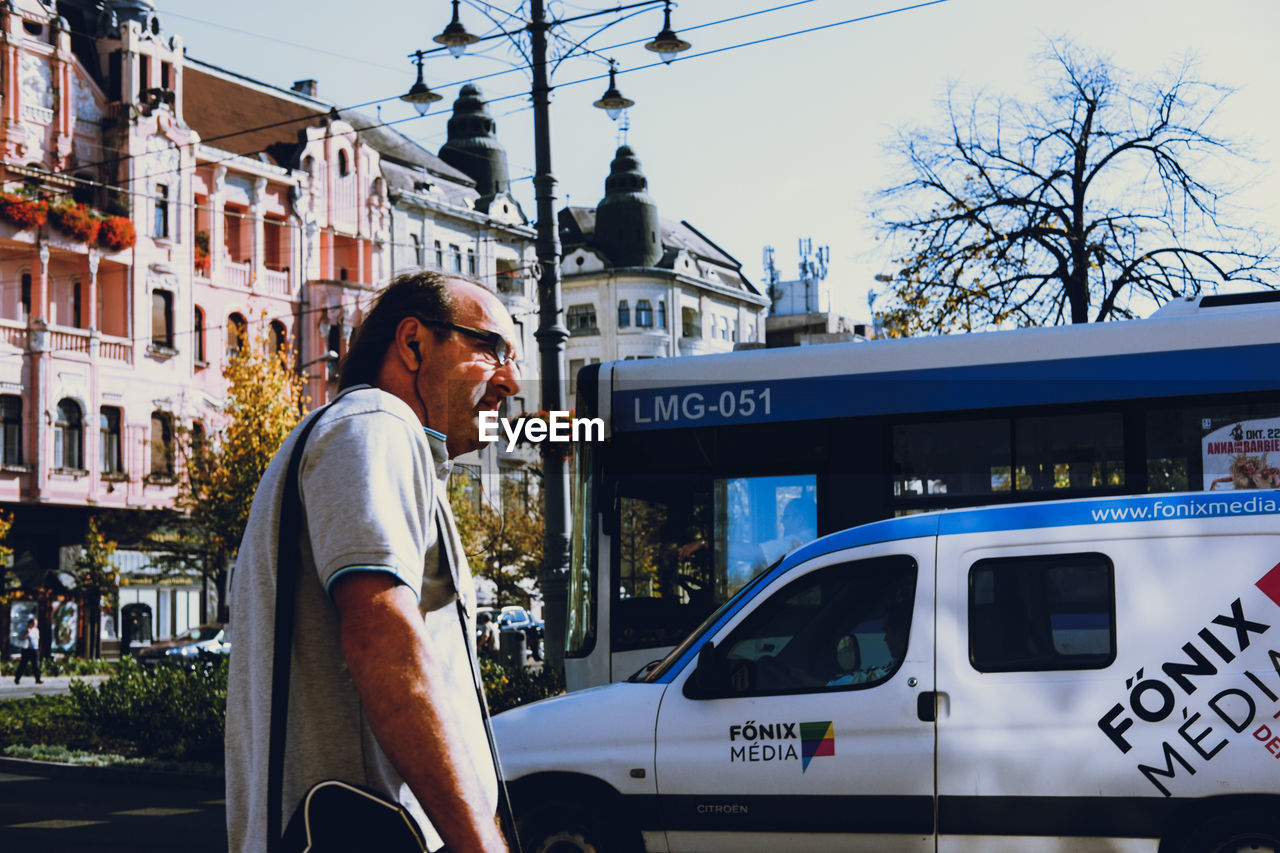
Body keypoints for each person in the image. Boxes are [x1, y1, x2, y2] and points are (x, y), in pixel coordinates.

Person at [225, 271, 520, 853]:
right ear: (413, 344)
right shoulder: (377, 426)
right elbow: (382, 637)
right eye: (490, 348)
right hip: (373, 835)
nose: (510, 380)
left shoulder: (367, 437)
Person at [14, 617, 41, 684]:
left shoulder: (36, 630)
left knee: (35, 665)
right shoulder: (24, 630)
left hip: (34, 649)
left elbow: (37, 640)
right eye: (34, 623)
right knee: (23, 664)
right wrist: (27, 633)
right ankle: (17, 678)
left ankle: (38, 679)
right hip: (26, 649)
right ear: (30, 623)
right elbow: (21, 638)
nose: (35, 625)